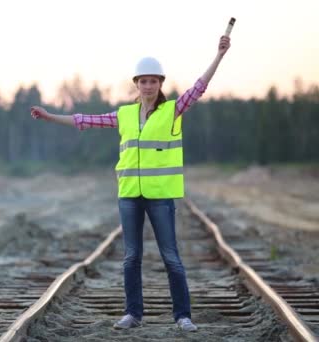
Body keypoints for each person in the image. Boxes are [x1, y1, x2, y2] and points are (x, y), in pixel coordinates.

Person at [30, 34, 231, 332]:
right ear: (136, 84)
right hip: (129, 195)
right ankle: (133, 314)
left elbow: (199, 88)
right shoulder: (124, 115)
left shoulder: (172, 111)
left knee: (171, 257)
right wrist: (50, 117)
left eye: (153, 80)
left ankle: (183, 316)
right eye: (143, 81)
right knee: (131, 257)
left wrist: (219, 55)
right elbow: (86, 120)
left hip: (160, 196)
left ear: (160, 83)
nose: (148, 85)